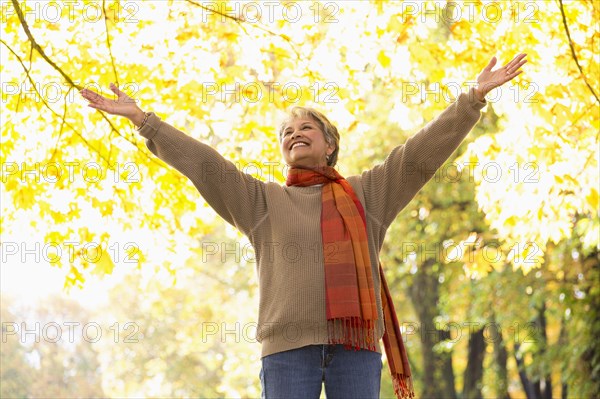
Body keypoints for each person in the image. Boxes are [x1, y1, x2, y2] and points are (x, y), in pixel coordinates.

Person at [80, 53, 527, 399]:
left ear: (330, 144)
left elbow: (417, 157)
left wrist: (471, 99)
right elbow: (207, 166)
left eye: (306, 126)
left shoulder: (367, 195)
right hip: (287, 353)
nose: (294, 133)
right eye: (286, 132)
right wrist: (145, 121)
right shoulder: (262, 202)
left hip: (356, 351)